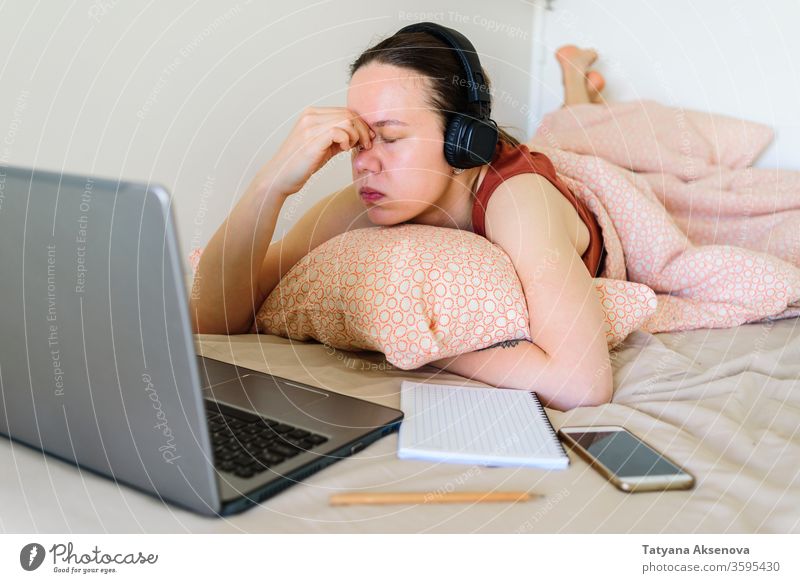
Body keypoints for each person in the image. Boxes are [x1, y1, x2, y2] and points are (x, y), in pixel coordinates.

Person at [189, 25, 612, 411]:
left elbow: (583, 385)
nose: (364, 165)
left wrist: (425, 342)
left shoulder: (521, 203)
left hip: (588, 185)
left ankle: (578, 93)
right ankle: (578, 95)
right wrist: (272, 184)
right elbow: (216, 317)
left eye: (390, 138)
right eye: (359, 142)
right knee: (568, 134)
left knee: (592, 143)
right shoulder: (368, 199)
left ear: (463, 141)